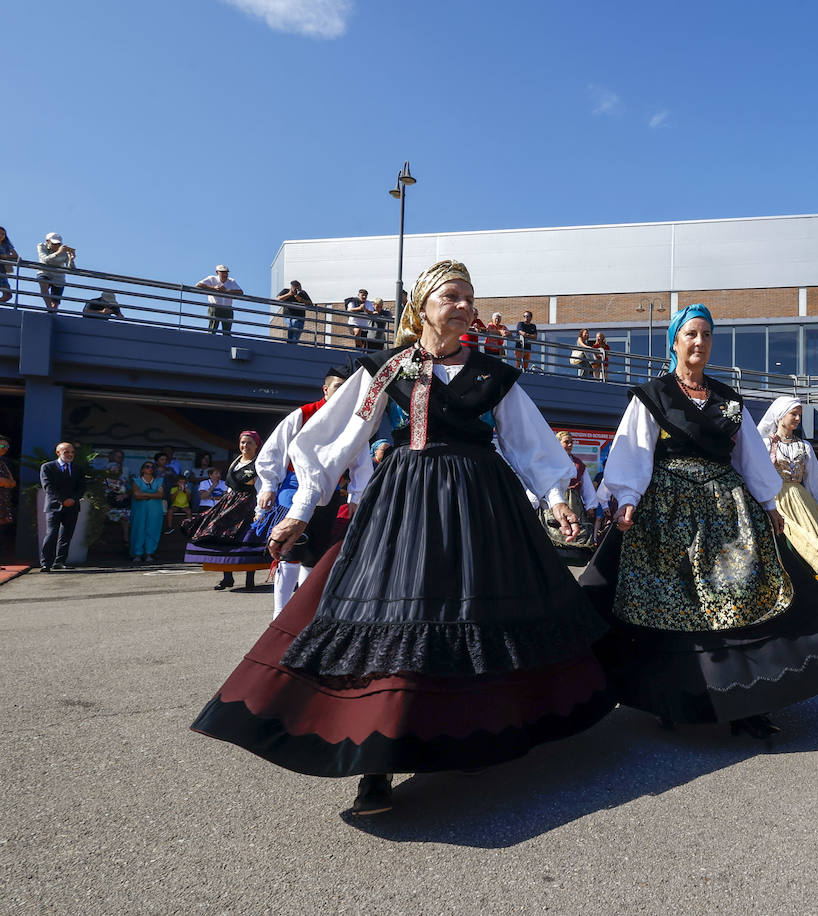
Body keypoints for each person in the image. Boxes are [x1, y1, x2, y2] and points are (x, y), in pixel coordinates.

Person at [191, 260, 612, 817]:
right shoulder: (389, 369)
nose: (462, 306)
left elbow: (531, 446)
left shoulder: (494, 375)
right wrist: (297, 510)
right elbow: (332, 441)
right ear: (421, 308)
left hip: (482, 508)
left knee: (477, 621)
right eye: (450, 296)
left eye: (469, 297)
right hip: (406, 504)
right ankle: (375, 763)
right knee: (389, 620)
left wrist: (557, 501)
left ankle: (472, 736)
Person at [580, 303, 818, 743]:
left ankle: (748, 702)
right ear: (675, 342)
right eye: (691, 335)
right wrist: (626, 498)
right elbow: (634, 453)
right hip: (668, 515)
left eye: (706, 335)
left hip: (726, 513)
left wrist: (770, 505)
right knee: (673, 605)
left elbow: (751, 457)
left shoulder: (729, 400)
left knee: (739, 599)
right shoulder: (652, 396)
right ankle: (673, 698)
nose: (699, 342)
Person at [254, 366, 373, 619]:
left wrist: (355, 496)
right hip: (293, 490)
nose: (343, 394)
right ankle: (280, 613)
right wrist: (267, 485)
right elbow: (274, 450)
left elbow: (361, 463)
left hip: (328, 494)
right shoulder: (303, 414)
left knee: (315, 554)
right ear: (325, 389)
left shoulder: (352, 422)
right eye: (338, 388)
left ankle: (303, 612)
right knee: (289, 550)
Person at [755, 396, 818, 579]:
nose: (797, 419)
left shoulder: (805, 446)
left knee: (808, 544)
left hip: (801, 502)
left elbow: (815, 480)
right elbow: (757, 476)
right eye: (793, 414)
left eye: (799, 415)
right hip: (773, 498)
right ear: (780, 416)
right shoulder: (764, 444)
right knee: (782, 543)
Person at [183, 432, 269, 590]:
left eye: (249, 443)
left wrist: (259, 511)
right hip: (229, 502)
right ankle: (227, 578)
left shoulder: (259, 464)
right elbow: (230, 485)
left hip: (248, 504)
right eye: (243, 442)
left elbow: (261, 488)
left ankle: (250, 579)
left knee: (247, 539)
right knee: (220, 533)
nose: (245, 445)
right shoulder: (236, 461)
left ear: (257, 445)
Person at [542, 431, 597, 564]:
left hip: (574, 501)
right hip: (554, 500)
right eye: (566, 442)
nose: (570, 445)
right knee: (552, 527)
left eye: (571, 442)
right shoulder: (551, 461)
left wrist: (591, 505)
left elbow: (587, 486)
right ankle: (551, 556)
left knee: (575, 528)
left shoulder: (578, 463)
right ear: (558, 443)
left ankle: (573, 556)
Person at [39, 442, 86, 571]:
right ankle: (45, 563)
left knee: (66, 535)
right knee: (52, 533)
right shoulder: (47, 467)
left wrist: (73, 499)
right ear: (58, 452)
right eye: (66, 452)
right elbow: (48, 486)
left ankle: (60, 562)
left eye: (72, 452)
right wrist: (62, 500)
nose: (70, 455)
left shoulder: (78, 468)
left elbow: (82, 486)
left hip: (72, 506)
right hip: (54, 506)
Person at [129, 461, 164, 563]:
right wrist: (153, 494)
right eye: (147, 466)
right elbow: (136, 495)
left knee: (153, 530)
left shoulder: (159, 481)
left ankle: (149, 553)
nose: (150, 468)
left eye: (152, 467)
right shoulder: (136, 481)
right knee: (138, 529)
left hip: (155, 510)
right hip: (140, 510)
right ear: (142, 469)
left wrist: (144, 495)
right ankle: (137, 554)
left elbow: (161, 495)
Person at [196, 265, 241, 335]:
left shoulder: (231, 281)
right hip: (215, 307)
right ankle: (210, 341)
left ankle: (226, 343)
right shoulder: (212, 278)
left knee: (227, 331)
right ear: (217, 272)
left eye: (226, 272)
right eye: (222, 272)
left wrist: (227, 291)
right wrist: (214, 288)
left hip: (227, 308)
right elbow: (198, 285)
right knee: (212, 329)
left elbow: (240, 292)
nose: (225, 274)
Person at [37, 233, 76, 311]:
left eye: (58, 244)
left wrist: (71, 259)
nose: (56, 245)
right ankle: (49, 308)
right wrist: (58, 252)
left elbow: (72, 269)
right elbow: (45, 259)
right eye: (54, 243)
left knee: (55, 302)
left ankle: (52, 312)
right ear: (47, 241)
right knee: (43, 284)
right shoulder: (41, 246)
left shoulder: (65, 251)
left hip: (59, 276)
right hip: (45, 272)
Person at [103, 462, 132, 549]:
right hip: (108, 506)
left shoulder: (123, 480)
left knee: (126, 518)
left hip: (122, 506)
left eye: (117, 469)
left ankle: (126, 540)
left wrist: (125, 495)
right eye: (113, 469)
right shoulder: (104, 481)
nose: (116, 470)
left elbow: (130, 492)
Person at [276, 280, 313, 345]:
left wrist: (301, 299)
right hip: (289, 316)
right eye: (295, 288)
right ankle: (292, 344)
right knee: (294, 323)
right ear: (292, 287)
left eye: (299, 288)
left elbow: (310, 304)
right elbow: (278, 299)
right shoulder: (286, 291)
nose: (297, 290)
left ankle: (290, 344)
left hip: (301, 317)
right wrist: (289, 294)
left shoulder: (303, 293)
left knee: (296, 330)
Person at [0, 436, 15, 544]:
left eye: (7, 446)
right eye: (2, 445)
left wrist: (5, 482)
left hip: (2, 504)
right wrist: (4, 482)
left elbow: (12, 483)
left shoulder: (3, 463)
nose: (5, 448)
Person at [0, 226, 19, 303]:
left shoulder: (6, 245)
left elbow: (16, 256)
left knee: (8, 295)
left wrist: (3, 256)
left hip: (2, 271)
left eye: (3, 234)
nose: (1, 235)